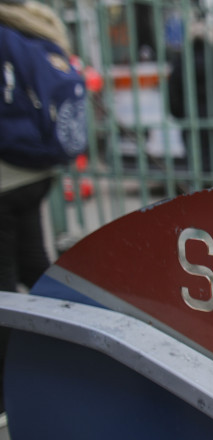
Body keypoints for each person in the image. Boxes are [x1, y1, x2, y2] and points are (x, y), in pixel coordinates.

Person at [0, 0, 75, 414]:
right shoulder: (36, 31)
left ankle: (8, 389)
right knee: (35, 263)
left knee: (3, 288)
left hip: (4, 173)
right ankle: (71, 342)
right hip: (37, 169)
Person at [168, 23, 213, 181]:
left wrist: (182, 116)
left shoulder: (181, 66)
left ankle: (198, 191)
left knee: (195, 166)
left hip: (191, 122)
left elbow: (173, 98)